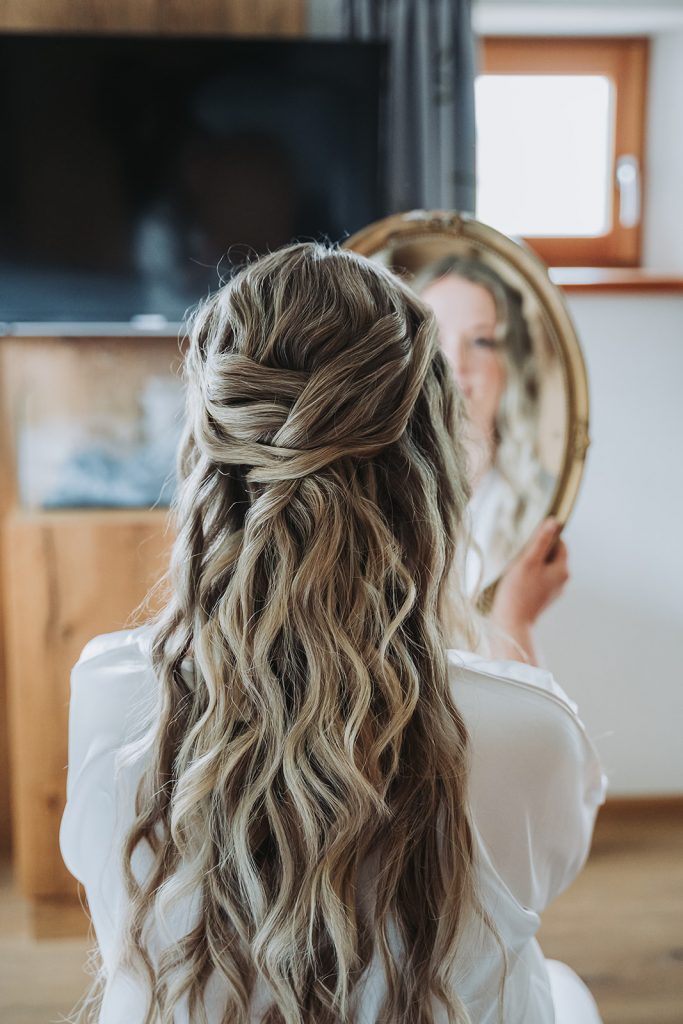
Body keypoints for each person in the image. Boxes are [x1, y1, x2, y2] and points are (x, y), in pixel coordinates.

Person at [60, 242, 606, 1023]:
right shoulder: (527, 733)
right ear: (428, 473)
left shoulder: (109, 696)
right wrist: (511, 625)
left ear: (206, 461)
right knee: (566, 989)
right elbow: (551, 854)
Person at [416, 256, 556, 601]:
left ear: (510, 361)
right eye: (435, 339)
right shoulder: (378, 491)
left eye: (480, 342)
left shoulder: (539, 504)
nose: (455, 365)